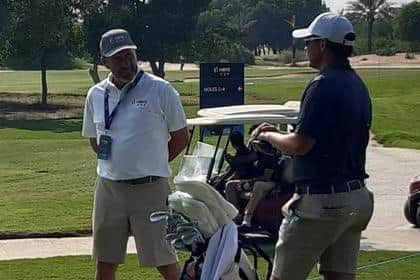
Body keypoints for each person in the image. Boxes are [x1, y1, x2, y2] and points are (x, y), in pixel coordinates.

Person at [252, 13, 374, 280]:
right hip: (356, 198)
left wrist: (268, 136)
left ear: (323, 45)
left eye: (309, 42)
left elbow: (300, 144)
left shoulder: (322, 85)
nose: (306, 47)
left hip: (322, 201)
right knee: (339, 275)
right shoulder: (357, 85)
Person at [82, 29, 189, 280]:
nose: (125, 63)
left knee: (165, 261)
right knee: (105, 262)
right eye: (118, 58)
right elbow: (94, 141)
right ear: (104, 61)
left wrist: (151, 164)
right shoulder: (96, 95)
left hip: (151, 189)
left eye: (129, 55)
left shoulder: (160, 89)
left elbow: (181, 137)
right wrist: (120, 164)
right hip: (109, 189)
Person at [225, 139, 278, 228]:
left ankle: (247, 218)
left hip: (270, 183)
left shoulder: (270, 157)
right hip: (256, 181)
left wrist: (251, 181)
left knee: (258, 185)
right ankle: (236, 215)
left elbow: (266, 177)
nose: (254, 147)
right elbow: (247, 159)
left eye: (256, 145)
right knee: (230, 185)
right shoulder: (258, 156)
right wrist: (233, 160)